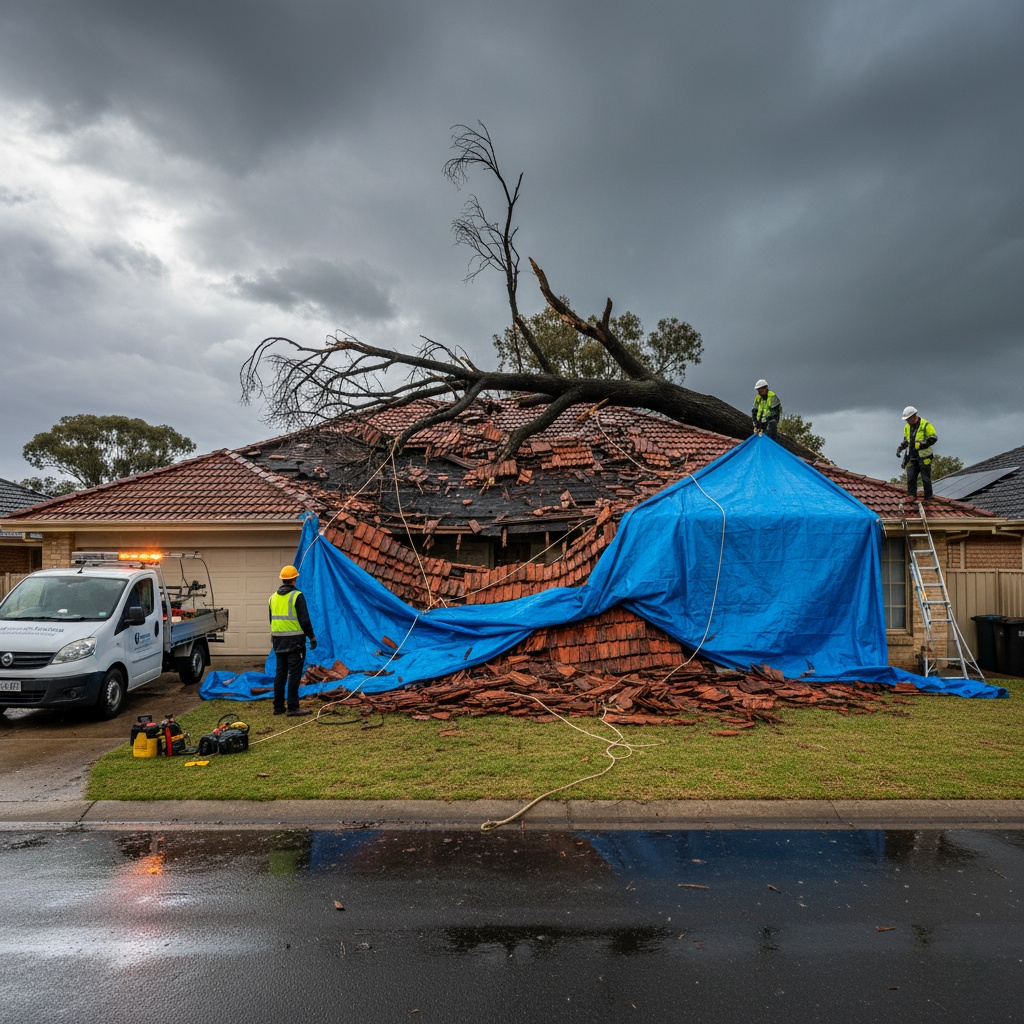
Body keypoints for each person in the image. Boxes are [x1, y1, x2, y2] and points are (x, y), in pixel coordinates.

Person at [269, 564, 318, 716]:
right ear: (294, 579)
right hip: (295, 642)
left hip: (278, 641)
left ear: (282, 579)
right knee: (294, 674)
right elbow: (304, 620)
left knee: (280, 674)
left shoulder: (272, 598)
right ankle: (293, 707)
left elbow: (271, 620)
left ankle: (278, 707)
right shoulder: (297, 596)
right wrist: (312, 636)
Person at [896, 406, 938, 501]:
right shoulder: (907, 427)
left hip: (924, 456)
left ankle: (928, 498)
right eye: (906, 420)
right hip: (912, 456)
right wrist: (900, 448)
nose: (907, 421)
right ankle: (911, 496)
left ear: (914, 416)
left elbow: (933, 438)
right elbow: (906, 441)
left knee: (925, 478)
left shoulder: (926, 425)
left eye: (908, 419)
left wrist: (923, 444)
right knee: (911, 477)